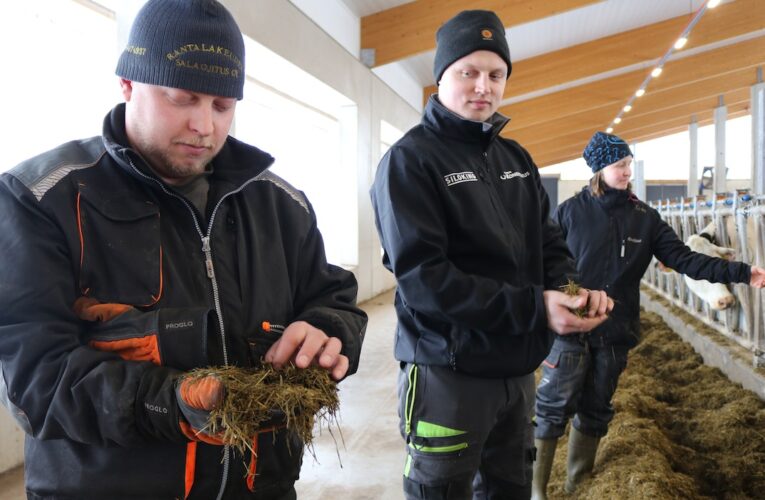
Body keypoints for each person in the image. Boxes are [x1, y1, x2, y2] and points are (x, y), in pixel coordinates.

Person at [0, 1, 367, 498]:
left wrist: (327, 331)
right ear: (128, 84)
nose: (205, 126)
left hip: (260, 486)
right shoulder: (43, 199)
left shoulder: (282, 205)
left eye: (222, 106)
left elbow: (334, 297)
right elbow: (34, 379)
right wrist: (170, 403)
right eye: (183, 98)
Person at [370, 10, 613, 500]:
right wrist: (533, 308)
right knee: (443, 489)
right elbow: (424, 280)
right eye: (469, 72)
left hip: (517, 370)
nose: (483, 86)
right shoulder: (410, 162)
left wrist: (572, 291)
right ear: (441, 76)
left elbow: (548, 244)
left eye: (496, 74)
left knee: (509, 487)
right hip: (448, 373)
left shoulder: (515, 159)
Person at [531, 131, 765, 499]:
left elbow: (685, 259)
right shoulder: (570, 212)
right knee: (553, 406)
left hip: (615, 329)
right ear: (599, 169)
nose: (627, 173)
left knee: (596, 407)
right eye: (619, 166)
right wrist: (577, 297)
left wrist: (741, 272)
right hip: (571, 327)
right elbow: (549, 266)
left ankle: (578, 482)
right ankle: (536, 491)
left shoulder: (645, 218)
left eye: (628, 165)